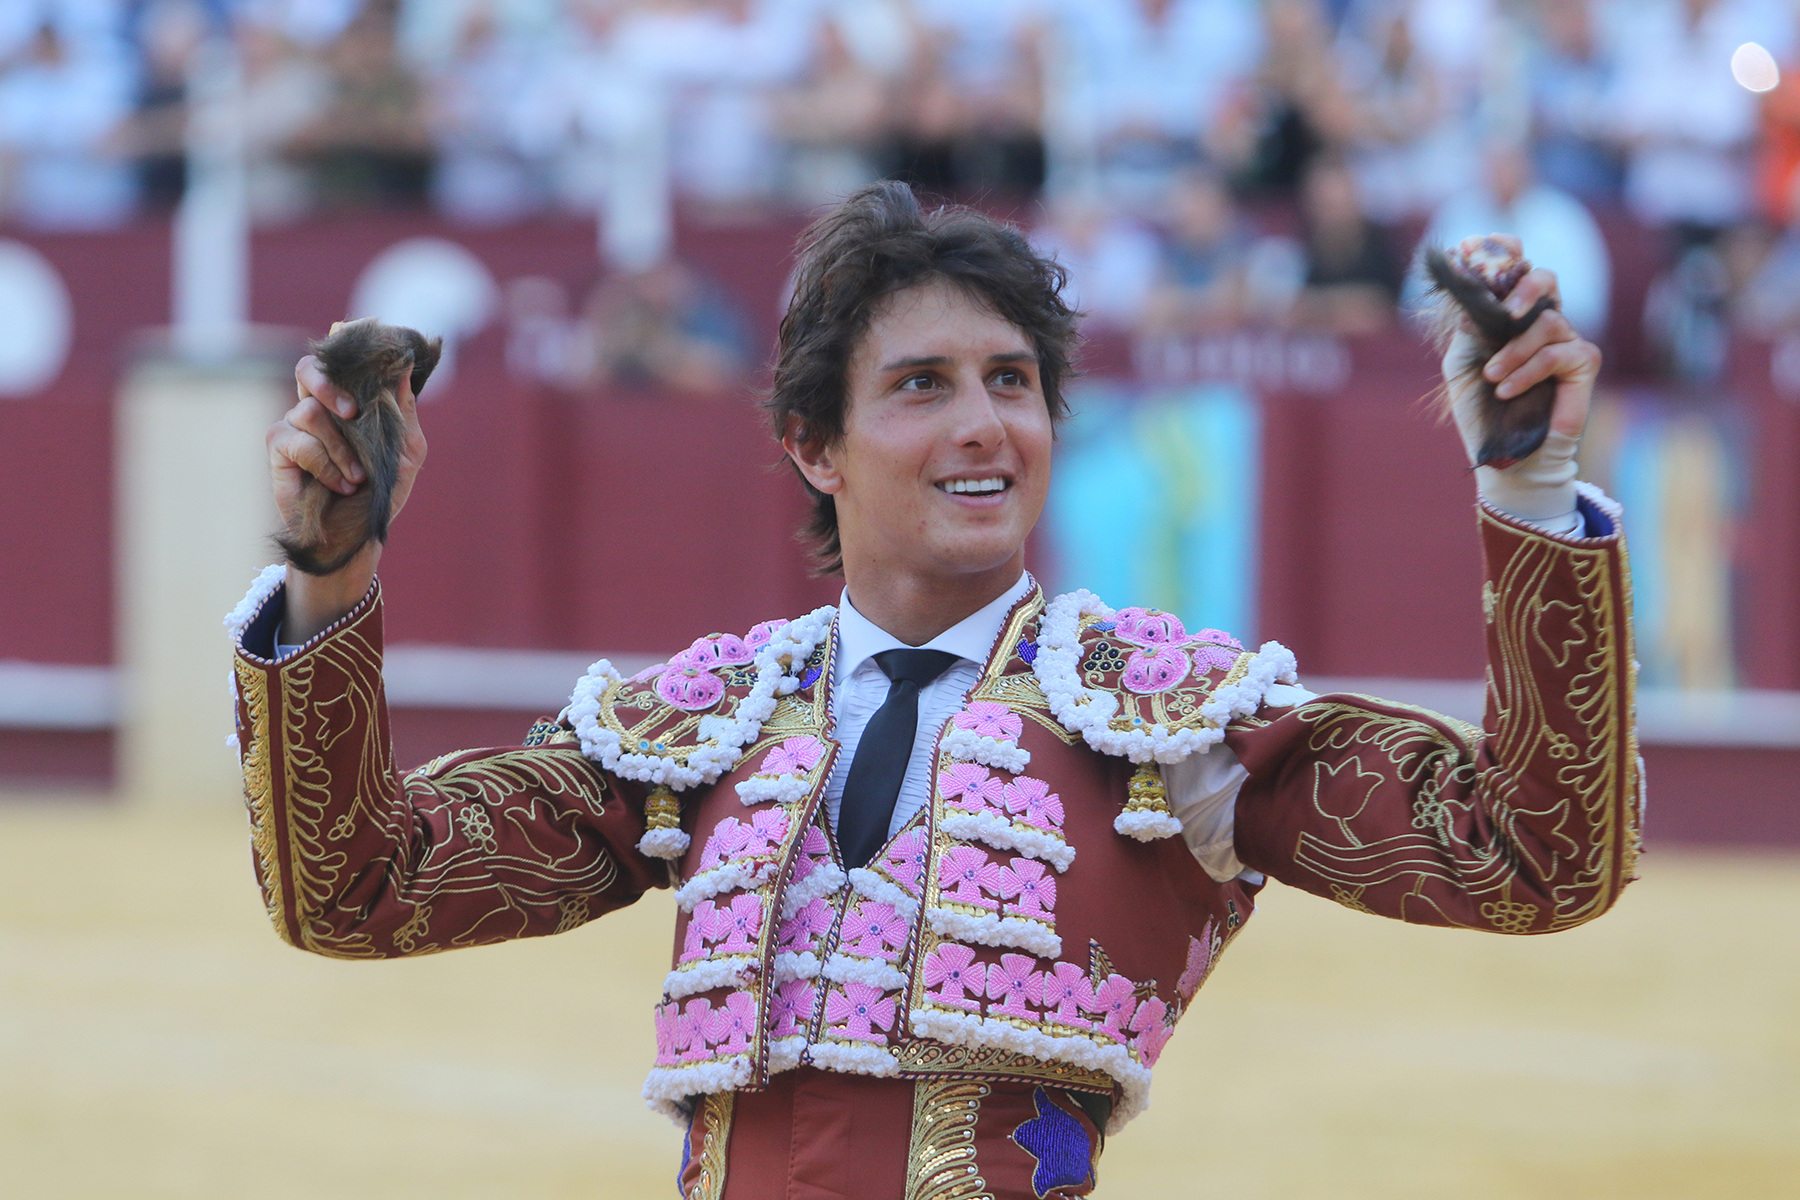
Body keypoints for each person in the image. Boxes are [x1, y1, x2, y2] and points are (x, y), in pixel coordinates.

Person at [229, 182, 1637, 1198]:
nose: (983, 423)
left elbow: (1537, 856)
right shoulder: (704, 724)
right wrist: (331, 585)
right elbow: (359, 890)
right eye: (920, 385)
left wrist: (1528, 490)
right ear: (814, 447)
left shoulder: (1166, 722)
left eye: (1011, 380)